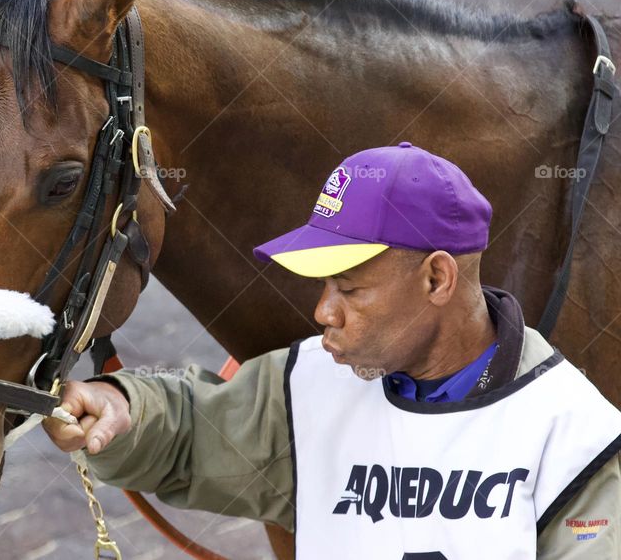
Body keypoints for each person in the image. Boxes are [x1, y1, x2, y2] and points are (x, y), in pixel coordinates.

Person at [43, 142, 621, 558]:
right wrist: (123, 410)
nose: (324, 312)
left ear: (437, 279)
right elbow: (193, 432)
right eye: (323, 287)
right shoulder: (309, 384)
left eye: (349, 288)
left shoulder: (575, 438)